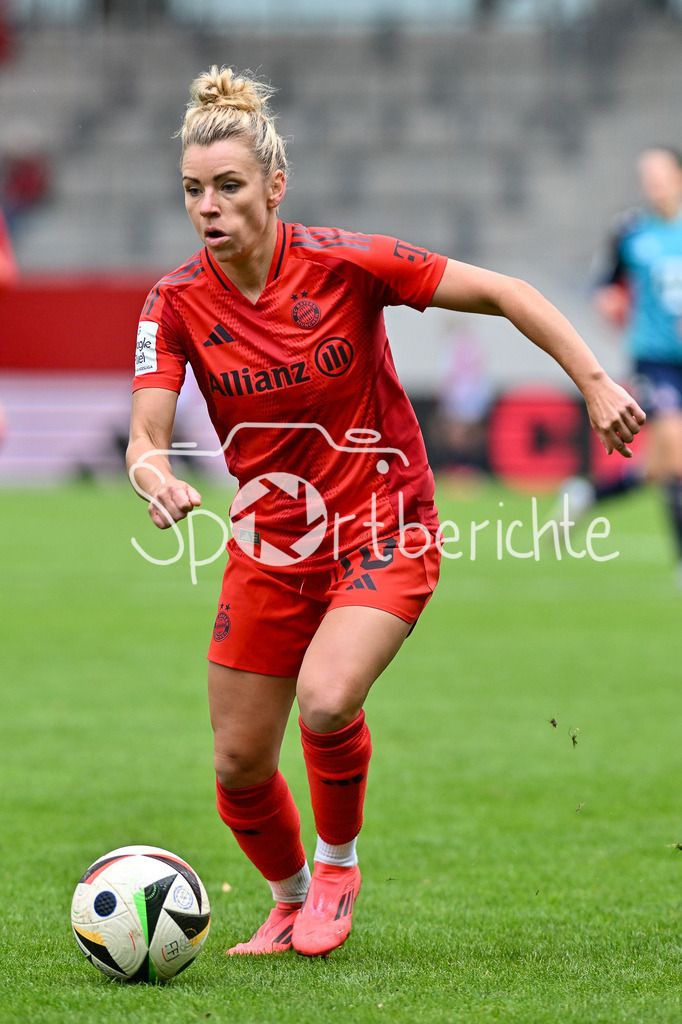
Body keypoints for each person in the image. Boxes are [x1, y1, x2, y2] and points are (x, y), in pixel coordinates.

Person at [126, 67, 644, 958]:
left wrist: (594, 381)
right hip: (268, 542)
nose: (207, 207)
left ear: (274, 186)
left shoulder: (345, 262)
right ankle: (288, 898)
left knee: (327, 700)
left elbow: (504, 292)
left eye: (228, 186)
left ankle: (337, 867)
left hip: (382, 524)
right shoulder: (175, 304)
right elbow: (145, 436)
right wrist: (155, 477)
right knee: (239, 765)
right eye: (192, 190)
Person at [559, 146, 682, 580]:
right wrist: (611, 306)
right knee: (677, 452)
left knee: (664, 465)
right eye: (646, 175)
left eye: (659, 173)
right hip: (656, 359)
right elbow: (606, 286)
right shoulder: (630, 231)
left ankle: (590, 495)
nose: (652, 182)